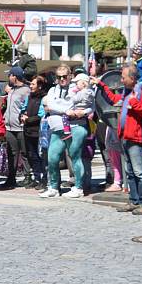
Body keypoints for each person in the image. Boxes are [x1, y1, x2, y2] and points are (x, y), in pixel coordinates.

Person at [91, 64, 142, 215]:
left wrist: (134, 104)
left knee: (139, 172)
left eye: (123, 77)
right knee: (130, 172)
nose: (121, 80)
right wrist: (101, 85)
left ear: (132, 79)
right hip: (126, 137)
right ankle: (134, 201)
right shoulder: (128, 93)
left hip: (136, 138)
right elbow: (114, 99)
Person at [40, 64, 90, 199]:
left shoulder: (77, 88)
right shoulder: (52, 90)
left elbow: (89, 105)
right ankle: (54, 187)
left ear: (70, 76)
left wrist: (81, 111)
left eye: (64, 76)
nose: (62, 79)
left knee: (75, 157)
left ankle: (79, 187)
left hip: (75, 127)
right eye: (58, 77)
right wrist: (66, 109)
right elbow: (50, 105)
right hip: (58, 128)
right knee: (52, 158)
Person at [3, 66, 32, 188]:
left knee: (25, 152)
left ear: (15, 76)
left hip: (20, 126)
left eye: (9, 75)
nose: (8, 77)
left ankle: (28, 177)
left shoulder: (26, 90)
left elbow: (27, 106)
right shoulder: (12, 89)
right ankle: (11, 177)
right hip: (9, 126)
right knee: (11, 153)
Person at [20, 76, 47, 188]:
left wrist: (28, 119)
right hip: (28, 131)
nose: (30, 86)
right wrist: (21, 116)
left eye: (33, 84)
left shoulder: (43, 98)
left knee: (40, 156)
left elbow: (41, 115)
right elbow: (23, 108)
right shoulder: (29, 97)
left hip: (38, 131)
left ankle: (43, 179)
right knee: (31, 155)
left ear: (39, 86)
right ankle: (36, 178)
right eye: (30, 84)